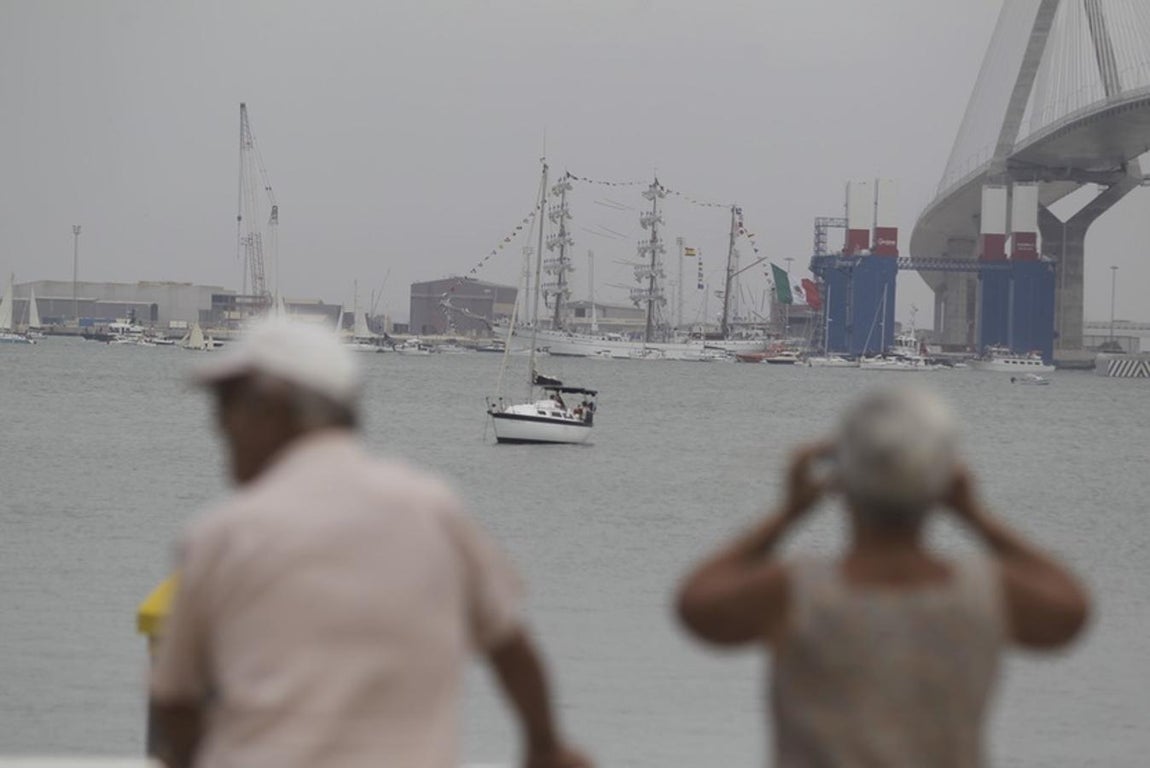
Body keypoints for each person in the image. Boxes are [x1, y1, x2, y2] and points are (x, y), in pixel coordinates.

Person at [149, 317, 590, 768]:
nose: (218, 425)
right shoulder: (432, 509)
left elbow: (172, 701)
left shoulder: (220, 535)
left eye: (226, 404)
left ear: (272, 407)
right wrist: (544, 745)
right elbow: (510, 648)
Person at [676, 386, 1090, 768]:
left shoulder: (795, 593)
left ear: (843, 481)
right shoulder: (985, 592)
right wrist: (974, 515)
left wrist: (788, 514)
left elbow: (696, 603)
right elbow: (1071, 608)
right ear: (944, 482)